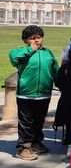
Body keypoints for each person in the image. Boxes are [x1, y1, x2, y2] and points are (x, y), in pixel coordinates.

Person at [9, 25, 59, 160]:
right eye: (32, 38)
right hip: (26, 94)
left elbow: (56, 71)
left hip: (44, 94)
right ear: (26, 40)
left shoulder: (48, 53)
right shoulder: (19, 52)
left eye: (38, 37)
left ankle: (36, 143)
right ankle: (24, 147)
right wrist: (30, 49)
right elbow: (14, 59)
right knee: (26, 122)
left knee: (39, 121)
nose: (36, 40)